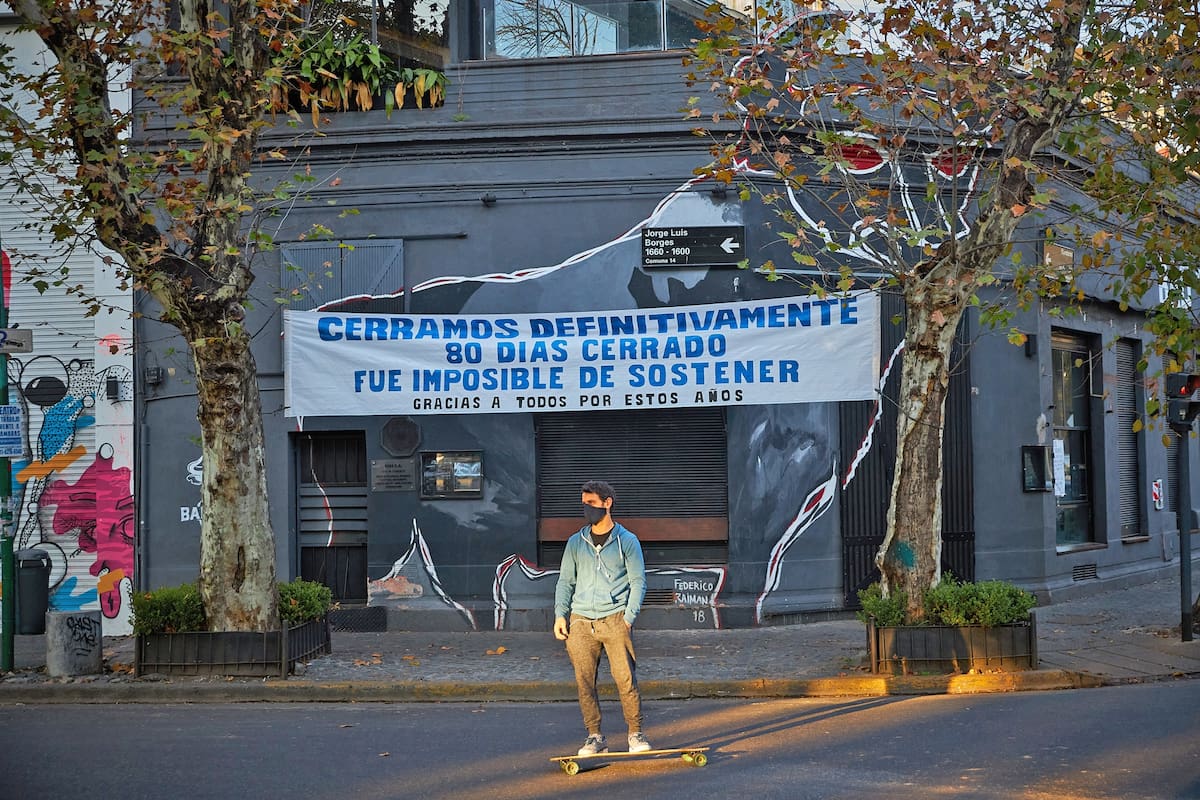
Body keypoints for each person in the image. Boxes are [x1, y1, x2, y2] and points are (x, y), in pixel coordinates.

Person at [553, 479, 650, 756]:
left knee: (625, 680)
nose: (587, 509)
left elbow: (638, 581)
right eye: (584, 504)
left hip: (615, 619)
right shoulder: (575, 542)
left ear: (607, 503)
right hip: (581, 621)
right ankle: (595, 737)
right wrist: (561, 615)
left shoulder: (627, 541)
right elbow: (565, 582)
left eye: (592, 503)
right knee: (585, 682)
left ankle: (636, 734)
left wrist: (628, 618)